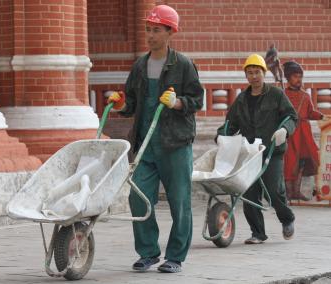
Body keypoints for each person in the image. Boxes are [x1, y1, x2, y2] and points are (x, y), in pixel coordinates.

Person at [107, 4, 204, 273]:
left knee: (179, 202)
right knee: (139, 197)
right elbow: (133, 102)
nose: (150, 35)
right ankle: (148, 252)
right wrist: (119, 104)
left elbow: (198, 99)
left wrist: (178, 102)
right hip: (145, 145)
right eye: (148, 30)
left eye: (156, 30)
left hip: (175, 144)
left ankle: (175, 257)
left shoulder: (183, 64)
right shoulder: (140, 65)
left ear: (170, 32)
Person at [217, 54, 298, 244]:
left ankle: (287, 219)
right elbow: (230, 123)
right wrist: (221, 136)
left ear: (264, 73)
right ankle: (258, 233)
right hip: (250, 153)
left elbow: (291, 117)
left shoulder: (276, 95)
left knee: (274, 190)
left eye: (257, 72)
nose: (254, 76)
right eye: (250, 73)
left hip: (272, 150)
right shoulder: (242, 99)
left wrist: (284, 130)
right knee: (249, 192)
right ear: (246, 75)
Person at [282, 61, 328, 201]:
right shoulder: (282, 95)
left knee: (303, 161)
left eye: (300, 76)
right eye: (295, 76)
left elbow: (310, 112)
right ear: (288, 78)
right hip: (290, 133)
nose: (298, 80)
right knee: (290, 162)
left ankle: (296, 191)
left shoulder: (305, 96)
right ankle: (288, 193)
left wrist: (322, 116)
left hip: (304, 134)